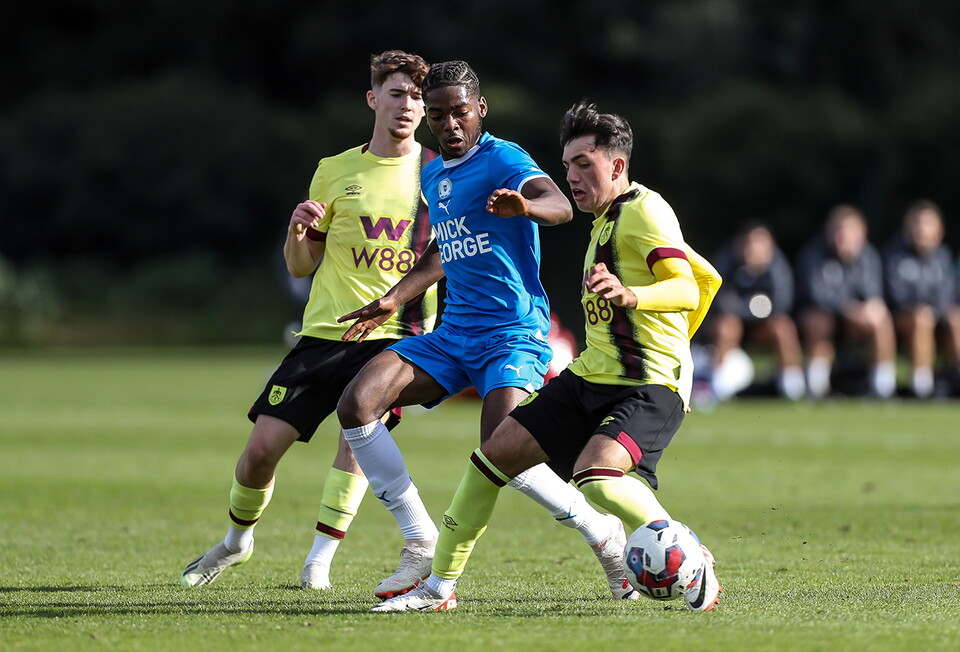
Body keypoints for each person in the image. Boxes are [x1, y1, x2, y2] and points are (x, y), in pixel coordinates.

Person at [371, 100, 723, 612]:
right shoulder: (606, 219)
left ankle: (690, 555)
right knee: (492, 458)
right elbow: (708, 276)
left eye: (585, 164)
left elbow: (687, 289)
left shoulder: (645, 211)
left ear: (617, 166)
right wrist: (679, 343)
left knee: (595, 477)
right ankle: (438, 589)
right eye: (567, 166)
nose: (573, 177)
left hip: (643, 383)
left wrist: (636, 304)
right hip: (590, 375)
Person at [336, 62, 636, 603]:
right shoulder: (431, 174)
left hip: (512, 332)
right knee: (358, 403)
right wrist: (394, 298)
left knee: (502, 452)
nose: (450, 124)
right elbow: (444, 249)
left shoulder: (504, 158)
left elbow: (561, 205)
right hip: (453, 334)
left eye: (460, 111)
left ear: (481, 109)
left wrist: (525, 205)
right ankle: (418, 540)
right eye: (440, 114)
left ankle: (604, 533)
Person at [180, 50, 439, 589]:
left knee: (356, 442)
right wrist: (298, 233)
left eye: (417, 97)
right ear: (373, 99)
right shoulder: (335, 170)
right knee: (259, 453)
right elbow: (302, 264)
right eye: (398, 94)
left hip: (396, 337)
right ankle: (235, 543)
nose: (408, 105)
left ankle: (317, 561)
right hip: (324, 334)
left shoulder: (440, 175)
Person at [795, 205, 897, 398]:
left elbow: (873, 293)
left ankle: (883, 387)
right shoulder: (813, 255)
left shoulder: (868, 256)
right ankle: (817, 387)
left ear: (862, 234)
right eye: (839, 231)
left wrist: (867, 309)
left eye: (850, 231)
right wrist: (847, 308)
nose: (844, 237)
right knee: (818, 321)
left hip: (856, 322)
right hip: (823, 319)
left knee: (881, 317)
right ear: (829, 232)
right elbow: (816, 296)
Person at [709, 222, 805, 400]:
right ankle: (717, 386)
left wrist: (743, 307)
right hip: (734, 327)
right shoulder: (726, 262)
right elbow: (719, 301)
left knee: (783, 327)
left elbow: (782, 304)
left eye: (761, 244)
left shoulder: (778, 267)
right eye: (750, 244)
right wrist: (754, 308)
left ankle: (792, 387)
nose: (754, 250)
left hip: (763, 328)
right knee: (726, 326)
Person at [882, 200, 960, 397]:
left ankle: (955, 378)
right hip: (901, 318)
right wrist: (925, 307)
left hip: (937, 315)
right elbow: (896, 296)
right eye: (917, 224)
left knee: (956, 318)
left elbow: (946, 293)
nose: (922, 230)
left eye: (927, 224)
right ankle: (922, 387)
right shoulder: (894, 255)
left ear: (939, 230)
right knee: (921, 317)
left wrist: (939, 311)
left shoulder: (943, 256)